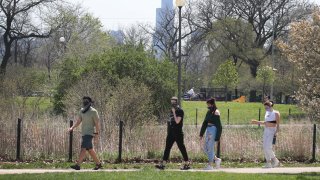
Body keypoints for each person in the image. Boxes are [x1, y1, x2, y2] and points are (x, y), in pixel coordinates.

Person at [155, 97, 190, 170]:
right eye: (171, 102)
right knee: (167, 148)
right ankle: (163, 165)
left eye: (174, 102)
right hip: (171, 133)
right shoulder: (171, 111)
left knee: (181, 148)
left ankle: (187, 164)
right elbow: (170, 122)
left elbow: (177, 121)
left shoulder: (180, 111)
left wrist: (174, 112)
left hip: (178, 133)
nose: (172, 103)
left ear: (177, 102)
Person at [68, 96, 102, 170]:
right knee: (90, 150)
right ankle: (98, 164)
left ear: (90, 102)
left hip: (89, 133)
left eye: (86, 100)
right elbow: (78, 121)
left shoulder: (94, 111)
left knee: (83, 149)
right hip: (84, 133)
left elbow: (97, 124)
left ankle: (78, 165)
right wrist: (72, 127)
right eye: (83, 100)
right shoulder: (82, 110)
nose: (84, 102)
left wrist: (97, 134)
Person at [251, 101, 280, 168]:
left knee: (268, 147)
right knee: (264, 147)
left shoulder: (276, 113)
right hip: (266, 130)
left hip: (272, 131)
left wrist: (276, 132)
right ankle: (268, 163)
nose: (266, 109)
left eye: (267, 107)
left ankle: (275, 160)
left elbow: (275, 124)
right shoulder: (267, 113)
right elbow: (266, 123)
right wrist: (257, 122)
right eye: (265, 108)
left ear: (271, 106)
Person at [199, 98, 222, 170]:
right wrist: (201, 134)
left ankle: (210, 165)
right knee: (206, 148)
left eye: (208, 104)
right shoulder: (208, 112)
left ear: (212, 104)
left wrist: (218, 137)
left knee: (210, 147)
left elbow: (219, 126)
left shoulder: (216, 112)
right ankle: (217, 159)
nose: (207, 106)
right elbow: (205, 123)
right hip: (208, 130)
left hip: (213, 129)